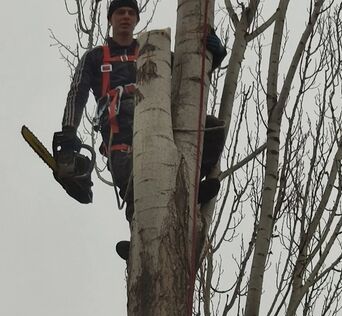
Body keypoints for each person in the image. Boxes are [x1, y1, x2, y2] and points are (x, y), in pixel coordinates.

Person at [55, 0, 227, 259]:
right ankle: (139, 237)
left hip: (161, 122)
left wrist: (215, 54)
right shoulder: (95, 58)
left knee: (212, 129)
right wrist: (69, 132)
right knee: (134, 180)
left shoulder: (153, 49)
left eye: (130, 13)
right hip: (118, 130)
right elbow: (77, 93)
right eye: (120, 13)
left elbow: (189, 71)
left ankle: (192, 189)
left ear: (136, 19)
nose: (125, 17)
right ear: (111, 19)